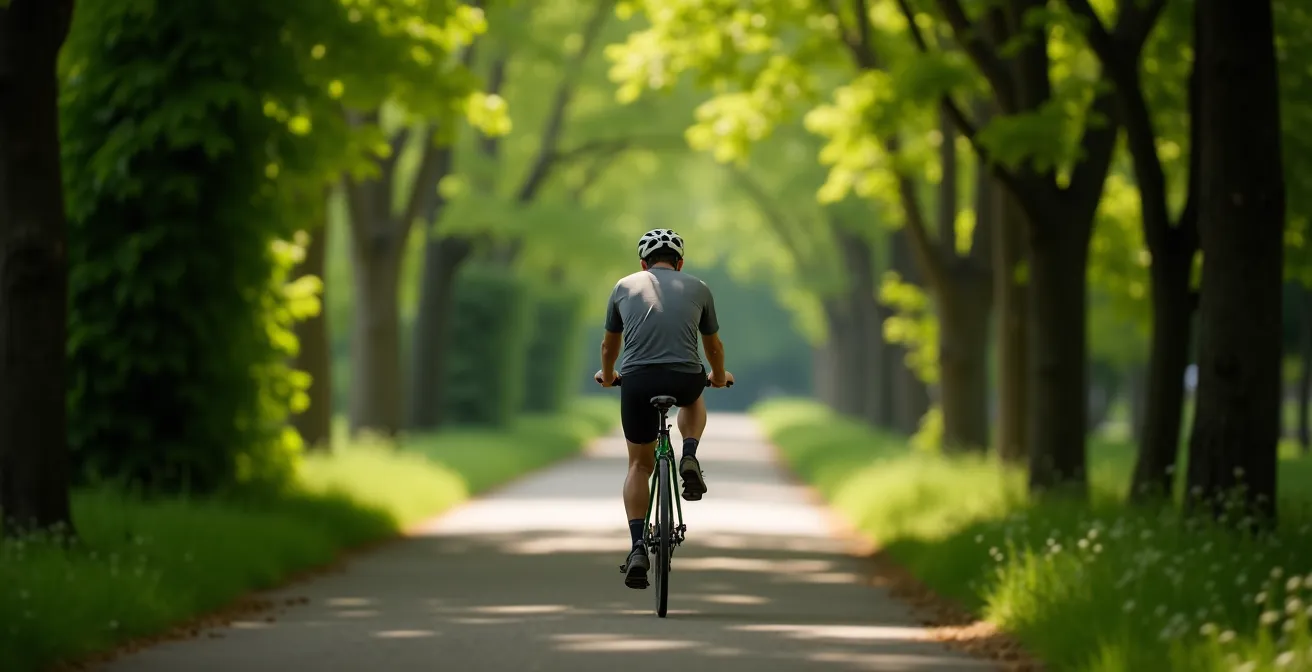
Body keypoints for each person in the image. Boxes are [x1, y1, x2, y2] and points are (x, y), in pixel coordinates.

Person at [594, 228, 733, 590]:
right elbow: (714, 347)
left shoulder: (624, 286)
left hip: (637, 382)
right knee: (694, 394)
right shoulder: (699, 287)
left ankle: (638, 545)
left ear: (643, 264)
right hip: (684, 377)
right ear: (680, 263)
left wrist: (609, 377)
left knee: (639, 464)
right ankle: (689, 454)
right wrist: (717, 376)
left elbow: (609, 349)